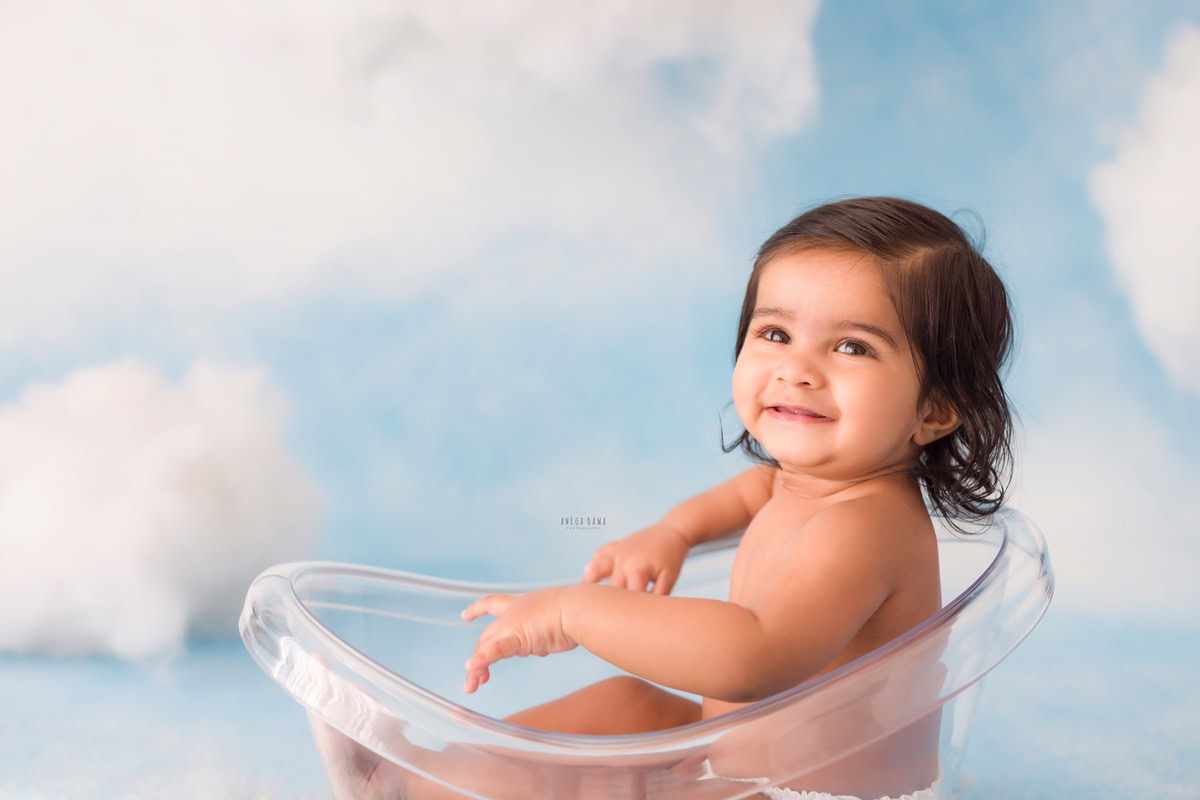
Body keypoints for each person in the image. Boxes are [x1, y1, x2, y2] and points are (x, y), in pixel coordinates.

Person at [311, 196, 1016, 799]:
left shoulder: (865, 527)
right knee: (630, 706)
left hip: (803, 794)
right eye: (775, 333)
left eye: (853, 347)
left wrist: (575, 612)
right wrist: (675, 532)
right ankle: (426, 777)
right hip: (743, 765)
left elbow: (753, 655)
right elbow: (755, 491)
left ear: (935, 409)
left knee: (611, 779)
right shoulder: (815, 484)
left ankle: (426, 788)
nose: (796, 368)